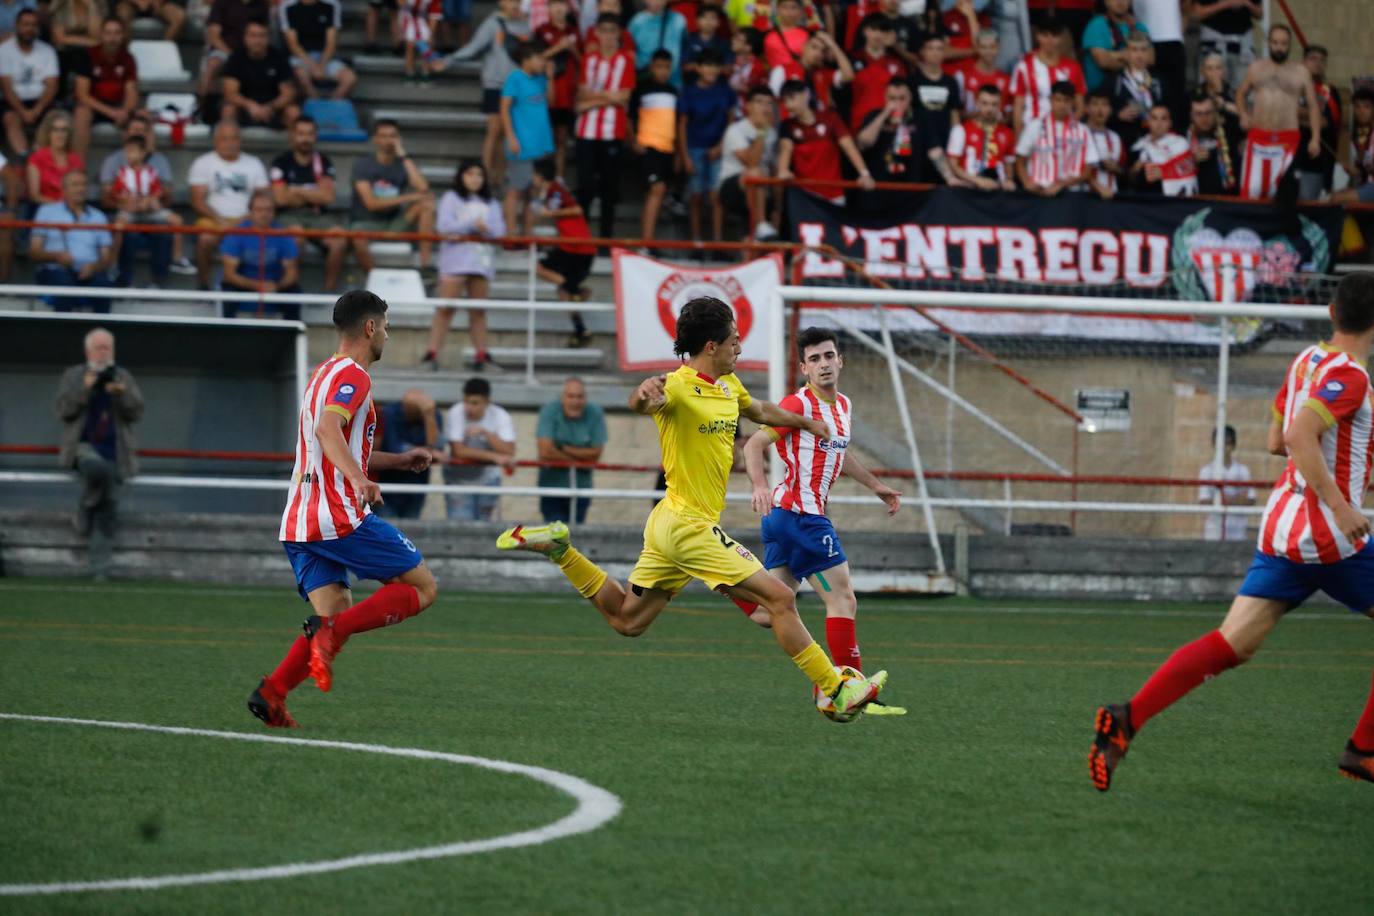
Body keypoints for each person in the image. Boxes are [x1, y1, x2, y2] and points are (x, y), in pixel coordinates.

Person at [496, 296, 890, 722]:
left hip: (669, 524)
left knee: (628, 620)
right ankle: (836, 688)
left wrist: (806, 423)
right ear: (710, 345)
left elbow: (760, 411)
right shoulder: (677, 386)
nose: (739, 343)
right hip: (687, 525)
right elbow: (643, 403)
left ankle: (560, 549)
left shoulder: (728, 385)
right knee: (779, 597)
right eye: (733, 338)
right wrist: (642, 394)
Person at [1089, 271, 1374, 791]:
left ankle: (1127, 718)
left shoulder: (1306, 361)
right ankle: (1363, 749)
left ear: (1332, 314)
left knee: (1233, 644)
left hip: (1281, 527)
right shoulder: (1351, 378)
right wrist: (1341, 501)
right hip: (1328, 533)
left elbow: (1272, 441)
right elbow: (1296, 434)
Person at [249, 290, 439, 729]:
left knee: (332, 613)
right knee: (423, 588)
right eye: (386, 328)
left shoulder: (322, 375)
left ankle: (272, 693)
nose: (386, 336)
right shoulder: (356, 375)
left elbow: (336, 443)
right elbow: (328, 429)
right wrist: (357, 480)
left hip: (299, 521)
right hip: (336, 516)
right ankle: (330, 636)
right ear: (370, 328)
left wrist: (396, 461)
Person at [739, 327, 904, 705]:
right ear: (804, 368)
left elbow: (839, 454)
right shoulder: (798, 406)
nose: (824, 364)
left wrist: (876, 486)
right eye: (815, 359)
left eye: (829, 356)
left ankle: (723, 581)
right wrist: (759, 485)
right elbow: (756, 444)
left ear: (840, 360)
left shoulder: (843, 405)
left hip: (784, 518)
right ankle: (853, 689)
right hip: (802, 516)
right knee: (842, 598)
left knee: (771, 611)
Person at [55, 327, 143, 579]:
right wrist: (85, 388)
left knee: (109, 507)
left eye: (107, 348)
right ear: (88, 351)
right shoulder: (74, 375)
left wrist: (122, 394)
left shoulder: (122, 376)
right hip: (83, 447)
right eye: (99, 347)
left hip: (116, 450)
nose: (104, 353)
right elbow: (63, 411)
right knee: (98, 469)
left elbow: (137, 412)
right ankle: (85, 504)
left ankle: (99, 570)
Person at [435, 0, 531, 180]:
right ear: (501, 2)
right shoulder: (492, 23)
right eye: (511, 1)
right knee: (494, 129)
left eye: (518, 1)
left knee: (506, 133)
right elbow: (473, 48)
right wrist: (449, 60)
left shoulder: (525, 25)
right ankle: (484, 175)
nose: (515, 5)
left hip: (517, 86)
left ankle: (500, 176)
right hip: (495, 84)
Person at [429, 159, 504, 371]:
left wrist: (482, 229)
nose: (475, 179)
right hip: (455, 262)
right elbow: (444, 226)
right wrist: (473, 225)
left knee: (478, 312)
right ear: (461, 176)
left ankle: (482, 355)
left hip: (481, 263)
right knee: (446, 309)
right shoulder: (451, 199)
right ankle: (432, 354)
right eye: (470, 174)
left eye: (479, 174)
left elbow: (499, 231)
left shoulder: (492, 203)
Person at [1233, 24, 1321, 202]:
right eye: (1275, 42)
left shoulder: (1301, 72)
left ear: (1289, 45)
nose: (1279, 47)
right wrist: (1243, 114)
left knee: (1285, 194)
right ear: (1269, 43)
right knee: (1251, 192)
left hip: (1288, 139)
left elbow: (1313, 106)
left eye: (1283, 43)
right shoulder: (1256, 68)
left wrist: (1315, 138)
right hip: (1259, 136)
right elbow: (1240, 94)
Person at [100, 114, 182, 285]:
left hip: (151, 214)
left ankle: (161, 279)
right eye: (134, 130)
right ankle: (119, 277)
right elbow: (107, 198)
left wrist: (152, 201)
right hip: (128, 214)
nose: (139, 134)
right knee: (125, 232)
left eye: (143, 131)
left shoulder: (158, 162)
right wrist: (126, 202)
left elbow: (166, 195)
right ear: (125, 134)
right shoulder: (114, 162)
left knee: (164, 231)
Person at [573, 14, 635, 241]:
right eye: (604, 30)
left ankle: (605, 239)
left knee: (609, 188)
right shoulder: (588, 59)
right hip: (586, 132)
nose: (608, 36)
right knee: (585, 186)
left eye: (612, 30)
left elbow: (625, 96)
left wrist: (591, 101)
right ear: (596, 33)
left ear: (618, 34)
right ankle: (581, 237)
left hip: (612, 132)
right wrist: (610, 96)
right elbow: (580, 93)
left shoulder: (625, 60)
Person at [188, 121, 270, 289]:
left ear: (240, 141)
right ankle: (203, 286)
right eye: (225, 139)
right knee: (204, 239)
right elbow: (197, 201)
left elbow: (263, 199)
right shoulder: (203, 163)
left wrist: (245, 220)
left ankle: (246, 287)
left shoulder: (254, 163)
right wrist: (221, 221)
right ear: (216, 141)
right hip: (213, 220)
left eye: (234, 138)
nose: (230, 143)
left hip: (248, 220)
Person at [270, 116, 348, 292]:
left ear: (315, 136)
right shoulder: (281, 162)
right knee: (295, 238)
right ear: (292, 136)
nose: (305, 139)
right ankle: (290, 288)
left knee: (340, 241)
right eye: (301, 134)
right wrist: (314, 193)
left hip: (318, 216)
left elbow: (328, 197)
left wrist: (296, 190)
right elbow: (281, 199)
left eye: (310, 134)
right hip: (288, 215)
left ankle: (329, 292)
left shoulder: (323, 162)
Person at [349, 118, 436, 273]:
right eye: (384, 136)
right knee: (357, 237)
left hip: (393, 224)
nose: (389, 140)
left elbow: (423, 189)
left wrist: (403, 155)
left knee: (426, 205)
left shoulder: (402, 163)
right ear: (375, 139)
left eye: (393, 136)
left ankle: (425, 267)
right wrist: (409, 198)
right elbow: (371, 204)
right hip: (365, 223)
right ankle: (374, 280)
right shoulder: (363, 165)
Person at [527, 156, 596, 345]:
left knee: (540, 268)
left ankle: (576, 289)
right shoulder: (552, 192)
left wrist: (550, 213)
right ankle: (581, 329)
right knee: (562, 292)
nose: (532, 178)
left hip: (576, 247)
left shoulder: (555, 191)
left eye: (534, 175)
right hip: (579, 247)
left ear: (540, 176)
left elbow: (577, 210)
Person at [776, 80, 874, 205]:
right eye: (785, 101)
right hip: (805, 197)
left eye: (791, 98)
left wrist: (864, 173)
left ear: (806, 95)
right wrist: (783, 170)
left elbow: (849, 146)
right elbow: (786, 149)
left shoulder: (830, 119)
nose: (788, 105)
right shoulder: (787, 126)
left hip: (834, 196)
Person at [32, 172, 114, 311]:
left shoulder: (98, 216)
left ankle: (100, 331)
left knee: (104, 287)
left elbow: (106, 258)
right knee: (65, 286)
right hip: (55, 271)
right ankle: (64, 332)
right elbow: (33, 252)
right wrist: (56, 256)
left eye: (83, 184)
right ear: (63, 189)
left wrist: (94, 267)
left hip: (90, 273)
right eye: (75, 184)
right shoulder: (47, 212)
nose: (80, 188)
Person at [500, 40, 556, 239]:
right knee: (515, 191)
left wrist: (550, 79)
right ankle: (510, 235)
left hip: (541, 144)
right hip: (521, 144)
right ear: (526, 60)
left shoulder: (541, 79)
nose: (543, 62)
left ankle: (526, 234)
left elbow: (552, 101)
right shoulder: (514, 78)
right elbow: (504, 109)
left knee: (533, 192)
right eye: (539, 58)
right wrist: (511, 137)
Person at [678, 47, 734, 244]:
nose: (712, 70)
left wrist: (721, 146)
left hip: (718, 149)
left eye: (715, 66)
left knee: (716, 196)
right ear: (699, 68)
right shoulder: (689, 92)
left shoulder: (725, 91)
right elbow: (683, 124)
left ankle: (718, 241)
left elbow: (730, 121)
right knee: (695, 196)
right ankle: (696, 240)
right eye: (707, 66)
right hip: (694, 148)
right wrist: (684, 156)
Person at [219, 189, 302, 319]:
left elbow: (292, 274)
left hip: (274, 284)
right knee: (228, 291)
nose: (264, 214)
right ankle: (226, 335)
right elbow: (229, 275)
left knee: (294, 292)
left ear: (274, 212)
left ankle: (291, 336)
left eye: (268, 210)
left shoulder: (283, 234)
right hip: (243, 284)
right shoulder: (237, 233)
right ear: (250, 212)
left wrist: (276, 286)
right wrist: (257, 286)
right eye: (259, 210)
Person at [534, 377, 606, 524]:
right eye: (570, 396)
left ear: (585, 398)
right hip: (551, 488)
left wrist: (562, 448)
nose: (575, 402)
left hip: (582, 488)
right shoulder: (549, 410)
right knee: (555, 538)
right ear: (562, 398)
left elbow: (596, 454)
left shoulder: (595, 412)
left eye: (579, 397)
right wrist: (581, 460)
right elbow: (545, 452)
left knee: (575, 536)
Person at [444, 376, 516, 521]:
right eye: (466, 402)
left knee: (484, 525)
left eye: (475, 403)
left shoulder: (500, 416)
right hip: (458, 481)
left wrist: (486, 433)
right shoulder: (456, 413)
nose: (468, 408)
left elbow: (509, 451)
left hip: (488, 480)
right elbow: (459, 451)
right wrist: (495, 457)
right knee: (460, 527)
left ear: (487, 402)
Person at [1014, 80, 1100, 196]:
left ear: (1073, 103)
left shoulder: (1083, 131)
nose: (1062, 105)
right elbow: (1020, 160)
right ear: (1050, 100)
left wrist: (1062, 184)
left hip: (1071, 195)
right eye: (1057, 99)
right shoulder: (1035, 126)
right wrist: (1026, 183)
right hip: (1039, 193)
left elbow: (1088, 169)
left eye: (1066, 100)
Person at [628, 49, 677, 245]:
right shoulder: (641, 89)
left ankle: (650, 241)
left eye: (666, 67)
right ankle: (647, 243)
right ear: (651, 67)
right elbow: (629, 117)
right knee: (657, 189)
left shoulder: (674, 91)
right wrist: (633, 141)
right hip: (649, 147)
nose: (663, 71)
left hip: (668, 149)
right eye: (659, 67)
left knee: (659, 192)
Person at [717, 85, 778, 241]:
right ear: (748, 106)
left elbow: (773, 168)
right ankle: (761, 224)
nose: (765, 107)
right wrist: (761, 131)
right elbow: (751, 162)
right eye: (759, 102)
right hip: (733, 187)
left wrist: (778, 208)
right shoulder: (735, 130)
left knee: (768, 180)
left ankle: (759, 232)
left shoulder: (772, 134)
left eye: (769, 103)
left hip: (759, 191)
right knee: (755, 172)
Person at [71, 16, 137, 156]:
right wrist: (111, 112)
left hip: (118, 106)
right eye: (108, 33)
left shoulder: (128, 58)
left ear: (123, 35)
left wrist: (125, 112)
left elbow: (131, 91)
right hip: (94, 107)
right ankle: (77, 169)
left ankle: (140, 170)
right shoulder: (87, 55)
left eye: (116, 33)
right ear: (101, 35)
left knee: (144, 117)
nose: (112, 38)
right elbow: (82, 94)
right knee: (81, 113)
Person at [1009, 17, 1084, 138]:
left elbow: (1080, 107)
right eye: (1045, 35)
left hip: (1063, 135)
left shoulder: (1073, 68)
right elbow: (1018, 107)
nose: (1049, 40)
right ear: (1037, 36)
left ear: (1060, 38)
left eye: (1054, 35)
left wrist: (1066, 130)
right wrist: (1019, 138)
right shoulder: (1023, 66)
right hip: (1031, 132)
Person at [377, 387, 443, 520]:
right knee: (388, 530)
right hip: (388, 486)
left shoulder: (431, 414)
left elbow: (438, 447)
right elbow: (394, 448)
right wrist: (428, 451)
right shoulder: (390, 413)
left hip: (417, 484)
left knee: (410, 532)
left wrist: (429, 416)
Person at [0, 10, 59, 156]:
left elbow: (52, 86)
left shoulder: (48, 51)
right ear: (17, 26)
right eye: (25, 24)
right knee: (10, 118)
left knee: (53, 117)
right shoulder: (4, 50)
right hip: (13, 101)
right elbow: (6, 88)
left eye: (33, 25)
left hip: (40, 101)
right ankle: (23, 155)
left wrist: (36, 110)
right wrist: (23, 111)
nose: (29, 29)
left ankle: (38, 158)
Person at [222, 19, 301, 130]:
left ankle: (292, 146)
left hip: (273, 108)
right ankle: (229, 146)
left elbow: (288, 93)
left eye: (262, 36)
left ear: (268, 38)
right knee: (228, 110)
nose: (257, 41)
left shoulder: (279, 58)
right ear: (245, 37)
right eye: (253, 35)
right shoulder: (236, 58)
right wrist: (250, 105)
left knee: (293, 112)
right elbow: (230, 92)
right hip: (245, 108)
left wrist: (270, 108)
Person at [857, 79, 938, 184]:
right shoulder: (874, 116)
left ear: (910, 98)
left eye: (902, 98)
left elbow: (935, 150)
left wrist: (949, 177)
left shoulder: (920, 118)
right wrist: (885, 113)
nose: (897, 103)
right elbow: (863, 143)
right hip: (880, 186)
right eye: (892, 98)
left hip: (911, 187)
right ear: (885, 97)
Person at [534, 0, 580, 179]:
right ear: (548, 8)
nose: (559, 8)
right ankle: (542, 178)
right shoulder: (541, 31)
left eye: (562, 4)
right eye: (554, 4)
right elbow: (533, 58)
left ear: (568, 8)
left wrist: (573, 48)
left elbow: (584, 61)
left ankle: (558, 178)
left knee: (561, 137)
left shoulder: (574, 31)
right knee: (545, 137)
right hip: (546, 91)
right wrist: (558, 48)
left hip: (567, 94)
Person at [281, 0, 358, 101]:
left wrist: (321, 65)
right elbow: (293, 45)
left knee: (350, 78)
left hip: (324, 57)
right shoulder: (288, 6)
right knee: (301, 75)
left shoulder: (331, 5)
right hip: (299, 58)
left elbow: (331, 42)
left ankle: (330, 103)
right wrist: (313, 67)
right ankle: (316, 102)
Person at [945, 83, 1016, 190]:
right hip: (969, 190)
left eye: (994, 104)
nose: (989, 108)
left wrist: (1009, 180)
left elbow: (1008, 164)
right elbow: (953, 165)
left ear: (1000, 105)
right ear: (976, 103)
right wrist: (977, 180)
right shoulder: (961, 130)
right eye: (984, 103)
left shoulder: (1007, 132)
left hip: (998, 191)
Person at [198, 0, 272, 103]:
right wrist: (233, 56)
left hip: (252, 51)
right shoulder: (221, 3)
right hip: (224, 50)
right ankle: (200, 107)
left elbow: (264, 33)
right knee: (212, 64)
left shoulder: (261, 5)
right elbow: (214, 37)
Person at [907, 34, 961, 166]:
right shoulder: (912, 80)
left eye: (939, 49)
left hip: (944, 138)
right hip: (918, 140)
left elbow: (954, 113)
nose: (935, 53)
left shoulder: (951, 82)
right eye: (930, 48)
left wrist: (956, 141)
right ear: (922, 52)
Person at [1295, 44, 1340, 202]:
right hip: (1289, 159)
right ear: (1303, 62)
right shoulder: (1293, 87)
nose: (1318, 63)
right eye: (1313, 58)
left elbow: (1323, 123)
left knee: (1307, 208)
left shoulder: (1329, 92)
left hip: (1314, 164)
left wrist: (1298, 113)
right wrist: (1312, 114)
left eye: (1322, 60)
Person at [848, 14, 907, 133]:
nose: (878, 34)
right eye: (873, 29)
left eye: (883, 30)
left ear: (889, 35)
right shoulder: (851, 60)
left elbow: (903, 98)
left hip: (888, 127)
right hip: (857, 126)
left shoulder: (897, 64)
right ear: (865, 31)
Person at [1197, 424, 1255, 542]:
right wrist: (1235, 500)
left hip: (1239, 532)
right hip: (1213, 531)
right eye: (1220, 443)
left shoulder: (1243, 471)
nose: (1224, 447)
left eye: (1228, 443)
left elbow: (1250, 499)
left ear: (1233, 445)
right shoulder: (1206, 471)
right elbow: (1204, 501)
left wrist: (1222, 500)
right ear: (1213, 444)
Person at [1106, 31, 1162, 149]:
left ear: (1148, 53)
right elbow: (1100, 111)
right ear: (1126, 53)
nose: (1139, 55)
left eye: (1143, 50)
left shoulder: (1158, 80)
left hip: (1157, 141)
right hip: (1125, 141)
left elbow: (1170, 108)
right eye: (1134, 50)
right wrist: (1117, 116)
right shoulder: (1115, 80)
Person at [1128, 102, 1196, 196]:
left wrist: (1163, 172)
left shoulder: (1180, 143)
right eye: (1154, 118)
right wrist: (1135, 169)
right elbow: (1131, 182)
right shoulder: (1138, 146)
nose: (1159, 123)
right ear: (1148, 121)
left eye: (1163, 118)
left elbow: (1189, 173)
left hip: (1176, 201)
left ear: (1170, 122)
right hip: (1147, 203)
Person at [1191, 0, 1258, 92]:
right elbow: (1196, 13)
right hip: (1214, 40)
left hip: (1242, 43)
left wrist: (1246, 3)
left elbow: (1260, 13)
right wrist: (1226, 4)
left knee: (1244, 91)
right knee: (1212, 88)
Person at [1080, 0, 1146, 92]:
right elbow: (1103, 62)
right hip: (1102, 96)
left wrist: (1113, 55)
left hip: (1136, 91)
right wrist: (1130, 57)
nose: (1120, 2)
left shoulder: (1138, 26)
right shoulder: (1096, 25)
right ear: (1106, 2)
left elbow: (1150, 59)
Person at [1187, 91, 1240, 196]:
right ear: (1191, 115)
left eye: (1208, 113)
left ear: (1215, 113)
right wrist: (1191, 161)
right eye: (1198, 114)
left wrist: (1224, 105)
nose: (1204, 118)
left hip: (1227, 199)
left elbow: (1253, 120)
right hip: (1194, 200)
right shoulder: (1183, 138)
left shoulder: (1229, 132)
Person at [27, 109, 84, 205]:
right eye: (55, 130)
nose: (60, 135)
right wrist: (60, 208)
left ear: (69, 134)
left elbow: (79, 192)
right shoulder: (37, 158)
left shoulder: (76, 160)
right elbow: (34, 195)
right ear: (48, 133)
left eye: (64, 130)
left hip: (71, 209)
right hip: (45, 208)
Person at [952, 29, 1010, 121]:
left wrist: (998, 119)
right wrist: (978, 115)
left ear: (998, 47)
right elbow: (955, 112)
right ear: (977, 48)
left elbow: (1009, 116)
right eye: (984, 47)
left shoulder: (1006, 79)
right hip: (970, 132)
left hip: (997, 133)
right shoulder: (962, 76)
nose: (988, 51)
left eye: (992, 47)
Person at [49, 0, 105, 94]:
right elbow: (60, 38)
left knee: (87, 57)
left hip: (85, 52)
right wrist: (89, 41)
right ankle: (61, 97)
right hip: (63, 50)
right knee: (63, 59)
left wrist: (92, 8)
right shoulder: (62, 7)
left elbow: (97, 37)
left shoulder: (97, 6)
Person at [629, 0, 687, 86]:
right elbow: (629, 50)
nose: (657, 2)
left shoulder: (679, 20)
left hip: (673, 81)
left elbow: (685, 46)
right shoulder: (636, 22)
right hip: (645, 79)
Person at [1084, 87, 1124, 198]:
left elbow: (1123, 171)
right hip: (1084, 197)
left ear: (1110, 110)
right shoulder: (1079, 133)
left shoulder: (1115, 137)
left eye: (1105, 104)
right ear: (1086, 108)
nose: (1100, 109)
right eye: (1095, 104)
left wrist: (1116, 169)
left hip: (1110, 197)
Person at [680, 3, 729, 81]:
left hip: (718, 85)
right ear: (697, 20)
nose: (708, 21)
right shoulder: (688, 40)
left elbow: (728, 69)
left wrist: (707, 69)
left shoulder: (724, 43)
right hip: (691, 84)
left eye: (713, 18)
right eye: (704, 17)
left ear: (719, 22)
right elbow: (682, 66)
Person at [397, 0, 440, 82]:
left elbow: (434, 14)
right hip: (407, 17)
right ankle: (409, 73)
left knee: (427, 44)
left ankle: (425, 73)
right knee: (409, 45)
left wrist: (431, 33)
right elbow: (400, 3)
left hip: (423, 20)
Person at [113, 0, 183, 42]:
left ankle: (163, 52)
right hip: (129, 4)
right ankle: (125, 52)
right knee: (123, 15)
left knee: (179, 17)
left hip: (157, 4)